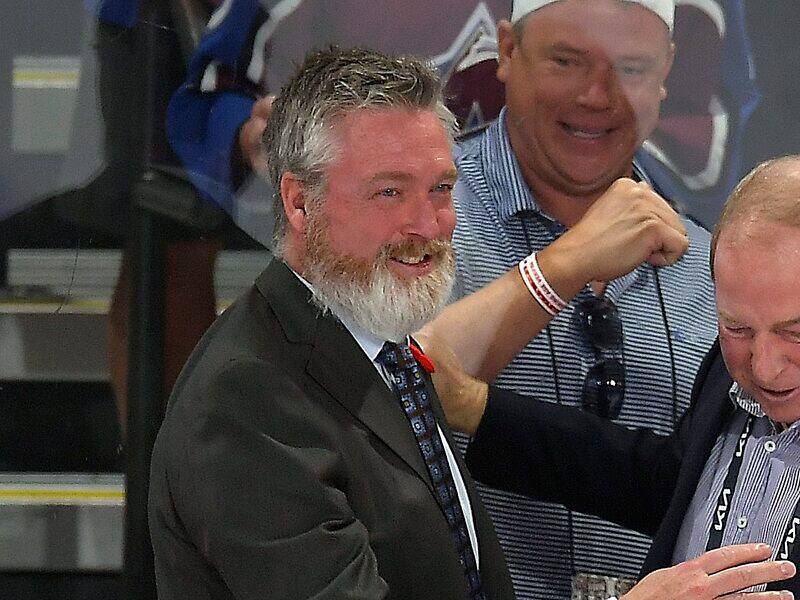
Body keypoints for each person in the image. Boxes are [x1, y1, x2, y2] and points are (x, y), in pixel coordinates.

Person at [147, 45, 794, 600]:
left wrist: (479, 409)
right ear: (298, 201)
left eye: (441, 189)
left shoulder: (380, 351)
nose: (427, 224)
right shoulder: (248, 401)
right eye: (389, 192)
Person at [420, 155, 800, 597]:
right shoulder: (724, 366)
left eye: (795, 333)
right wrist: (477, 409)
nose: (764, 366)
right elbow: (668, 483)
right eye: (737, 328)